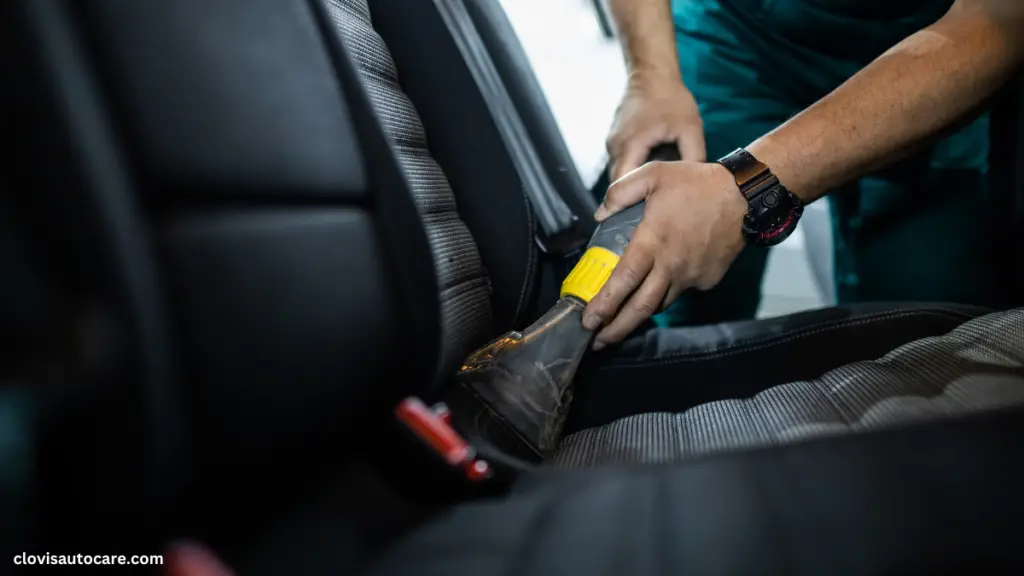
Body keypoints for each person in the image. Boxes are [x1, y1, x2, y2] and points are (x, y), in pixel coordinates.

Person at [584, 0, 1023, 350]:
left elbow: (1000, 19)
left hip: (940, 43)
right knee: (658, 288)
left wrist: (749, 187)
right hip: (735, 31)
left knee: (931, 333)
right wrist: (650, 77)